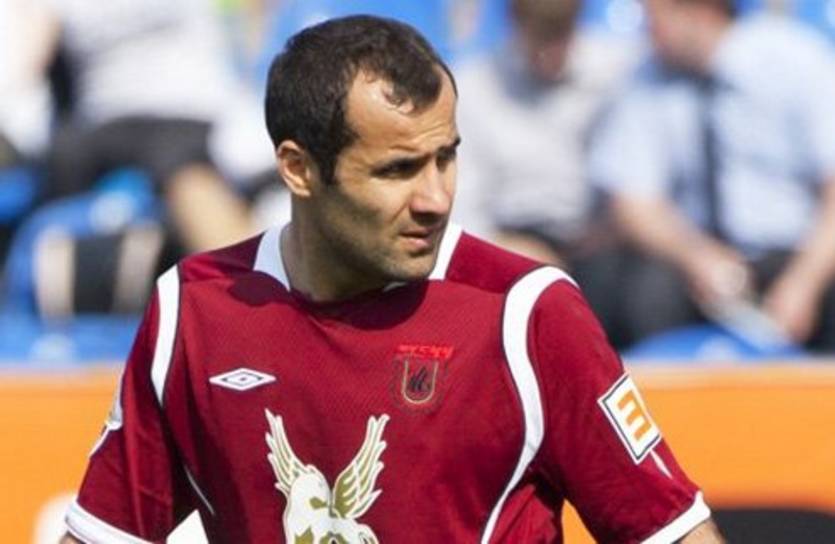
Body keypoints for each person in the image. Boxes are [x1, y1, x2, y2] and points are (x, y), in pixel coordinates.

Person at [61, 15, 723, 543]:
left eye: (445, 158)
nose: (436, 197)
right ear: (298, 169)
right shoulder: (194, 309)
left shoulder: (526, 313)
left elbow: (672, 533)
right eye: (397, 170)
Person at [589, 0, 835, 351]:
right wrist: (697, 257)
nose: (646, 31)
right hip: (696, 260)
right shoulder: (645, 78)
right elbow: (634, 201)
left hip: (796, 254)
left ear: (698, 11)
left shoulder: (797, 61)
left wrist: (803, 283)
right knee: (633, 288)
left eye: (655, 18)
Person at [453, 0, 637, 266]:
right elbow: (463, 209)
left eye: (560, 33)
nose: (551, 52)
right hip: (512, 239)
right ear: (516, 25)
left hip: (599, 244)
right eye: (541, 36)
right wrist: (509, 249)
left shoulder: (619, 73)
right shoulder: (474, 88)